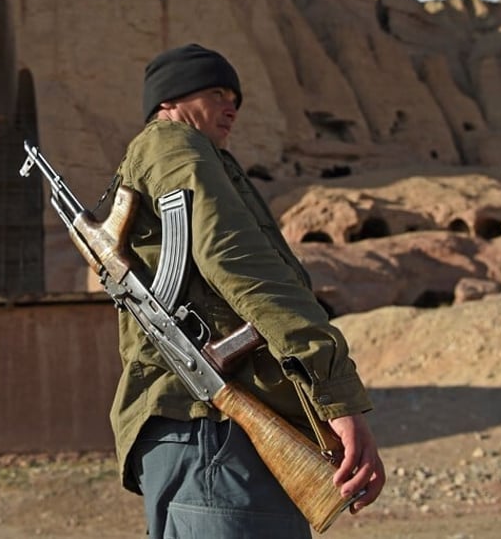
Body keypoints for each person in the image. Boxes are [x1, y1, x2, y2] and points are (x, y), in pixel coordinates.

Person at [108, 43, 385, 538]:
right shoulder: (173, 146)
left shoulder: (189, 155)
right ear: (170, 99)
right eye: (217, 92)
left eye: (235, 95)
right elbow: (235, 258)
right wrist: (335, 392)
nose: (232, 106)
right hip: (212, 431)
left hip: (206, 433)